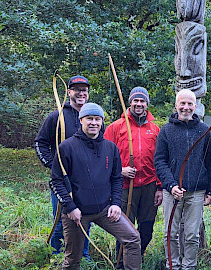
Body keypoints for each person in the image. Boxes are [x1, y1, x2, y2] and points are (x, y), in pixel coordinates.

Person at [50, 103, 141, 270]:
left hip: (104, 209)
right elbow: (56, 181)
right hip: (77, 213)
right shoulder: (66, 147)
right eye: (89, 119)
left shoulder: (110, 148)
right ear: (81, 120)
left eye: (97, 119)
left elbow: (116, 178)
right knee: (72, 259)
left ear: (102, 122)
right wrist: (70, 208)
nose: (93, 123)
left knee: (132, 238)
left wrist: (115, 204)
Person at [154, 89, 211, 270]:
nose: (186, 107)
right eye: (182, 103)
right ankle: (172, 265)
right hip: (172, 192)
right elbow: (159, 161)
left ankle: (189, 266)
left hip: (196, 192)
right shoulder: (166, 130)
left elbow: (210, 162)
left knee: (191, 235)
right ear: (176, 105)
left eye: (190, 104)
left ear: (195, 106)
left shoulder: (204, 131)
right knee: (170, 233)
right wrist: (171, 185)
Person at [34, 75, 91, 257]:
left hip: (86, 181)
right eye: (77, 90)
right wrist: (52, 166)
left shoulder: (93, 117)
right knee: (61, 220)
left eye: (84, 90)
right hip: (62, 180)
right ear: (69, 92)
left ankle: (84, 257)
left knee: (84, 219)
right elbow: (40, 142)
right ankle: (58, 258)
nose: (81, 93)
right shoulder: (56, 116)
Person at [104, 87, 162, 262]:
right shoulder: (116, 127)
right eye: (135, 100)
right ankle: (121, 262)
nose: (138, 104)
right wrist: (119, 171)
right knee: (123, 227)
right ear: (130, 102)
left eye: (142, 101)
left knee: (147, 227)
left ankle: (138, 255)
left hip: (149, 186)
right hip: (124, 187)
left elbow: (160, 159)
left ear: (146, 104)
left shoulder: (155, 129)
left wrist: (159, 187)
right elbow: (104, 157)